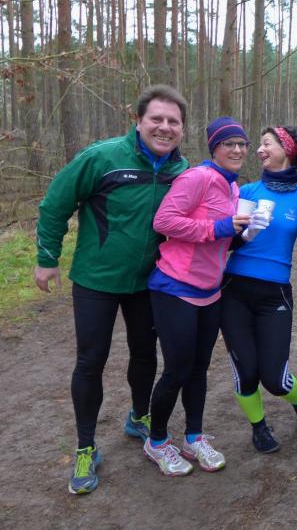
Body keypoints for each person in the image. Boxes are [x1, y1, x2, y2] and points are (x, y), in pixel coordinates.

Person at [34, 85, 189, 494]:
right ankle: (86, 447)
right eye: (156, 119)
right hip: (96, 280)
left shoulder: (182, 171)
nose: (164, 127)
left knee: (145, 353)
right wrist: (47, 258)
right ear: (138, 121)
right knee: (91, 361)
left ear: (182, 130)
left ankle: (138, 417)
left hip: (149, 282)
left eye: (173, 121)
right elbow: (55, 204)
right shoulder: (102, 158)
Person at [143, 116, 253, 476]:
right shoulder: (197, 178)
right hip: (175, 286)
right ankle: (157, 442)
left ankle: (193, 437)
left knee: (199, 370)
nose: (237, 150)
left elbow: (220, 239)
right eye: (228, 144)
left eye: (242, 144)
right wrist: (218, 227)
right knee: (177, 369)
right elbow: (164, 221)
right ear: (214, 148)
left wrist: (242, 236)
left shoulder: (233, 188)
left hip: (210, 289)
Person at [219, 125, 297, 454]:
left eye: (266, 144)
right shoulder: (247, 191)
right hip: (234, 289)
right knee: (247, 371)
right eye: (259, 145)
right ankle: (259, 427)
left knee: (275, 379)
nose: (259, 150)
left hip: (275, 293)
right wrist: (245, 234)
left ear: (287, 150)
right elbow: (225, 243)